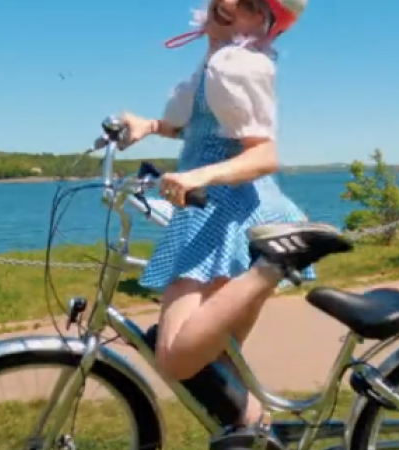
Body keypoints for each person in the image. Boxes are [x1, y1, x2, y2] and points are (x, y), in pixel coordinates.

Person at [117, 0, 349, 446]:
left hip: (225, 210)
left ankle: (274, 263)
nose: (229, 6)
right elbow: (195, 124)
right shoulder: (213, 66)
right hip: (219, 207)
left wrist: (198, 175)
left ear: (264, 25)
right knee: (216, 357)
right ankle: (254, 431)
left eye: (248, 6)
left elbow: (265, 153)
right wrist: (146, 126)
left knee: (178, 358)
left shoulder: (235, 66)